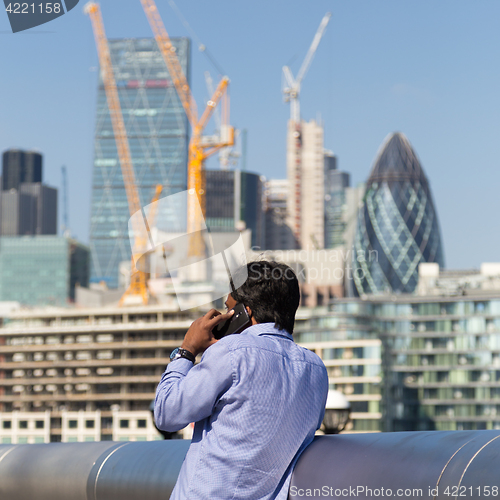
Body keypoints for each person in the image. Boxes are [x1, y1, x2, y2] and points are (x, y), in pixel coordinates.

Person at [155, 260, 329, 500]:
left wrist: (186, 350)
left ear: (243, 312)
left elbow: (166, 413)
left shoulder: (232, 351)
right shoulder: (316, 369)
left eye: (228, 308)